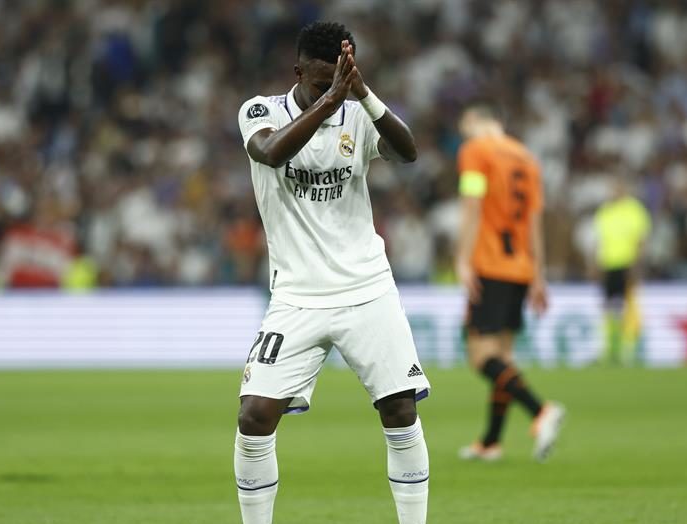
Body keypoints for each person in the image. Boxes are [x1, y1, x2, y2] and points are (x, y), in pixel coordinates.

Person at [234, 22, 431, 524]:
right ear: (299, 72)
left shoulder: (357, 111)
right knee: (254, 416)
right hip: (297, 295)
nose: (331, 92)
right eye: (322, 83)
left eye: (339, 79)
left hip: (366, 288)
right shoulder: (261, 111)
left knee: (400, 410)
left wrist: (362, 94)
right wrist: (330, 100)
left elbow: (409, 152)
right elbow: (271, 152)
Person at [454, 104, 565, 462]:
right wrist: (539, 274)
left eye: (465, 128)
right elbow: (534, 221)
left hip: (489, 264)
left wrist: (462, 259)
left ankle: (540, 410)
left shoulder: (476, 151)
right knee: (502, 356)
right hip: (520, 268)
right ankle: (491, 442)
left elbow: (472, 205)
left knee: (481, 357)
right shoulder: (527, 159)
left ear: (477, 123)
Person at [593, 175, 651, 365]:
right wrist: (596, 264)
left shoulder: (635, 210)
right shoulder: (604, 211)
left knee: (629, 307)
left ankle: (628, 350)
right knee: (607, 308)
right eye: (612, 188)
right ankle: (607, 348)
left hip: (627, 264)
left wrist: (637, 265)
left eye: (617, 188)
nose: (614, 192)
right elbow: (599, 241)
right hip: (608, 264)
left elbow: (641, 241)